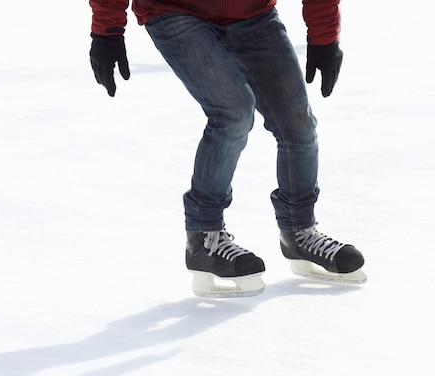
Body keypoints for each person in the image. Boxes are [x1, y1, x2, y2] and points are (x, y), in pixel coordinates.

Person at [89, 0, 366, 297]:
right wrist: (107, 30)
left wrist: (324, 36)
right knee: (233, 114)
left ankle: (300, 232)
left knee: (298, 125)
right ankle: (203, 237)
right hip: (175, 10)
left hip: (255, 15)